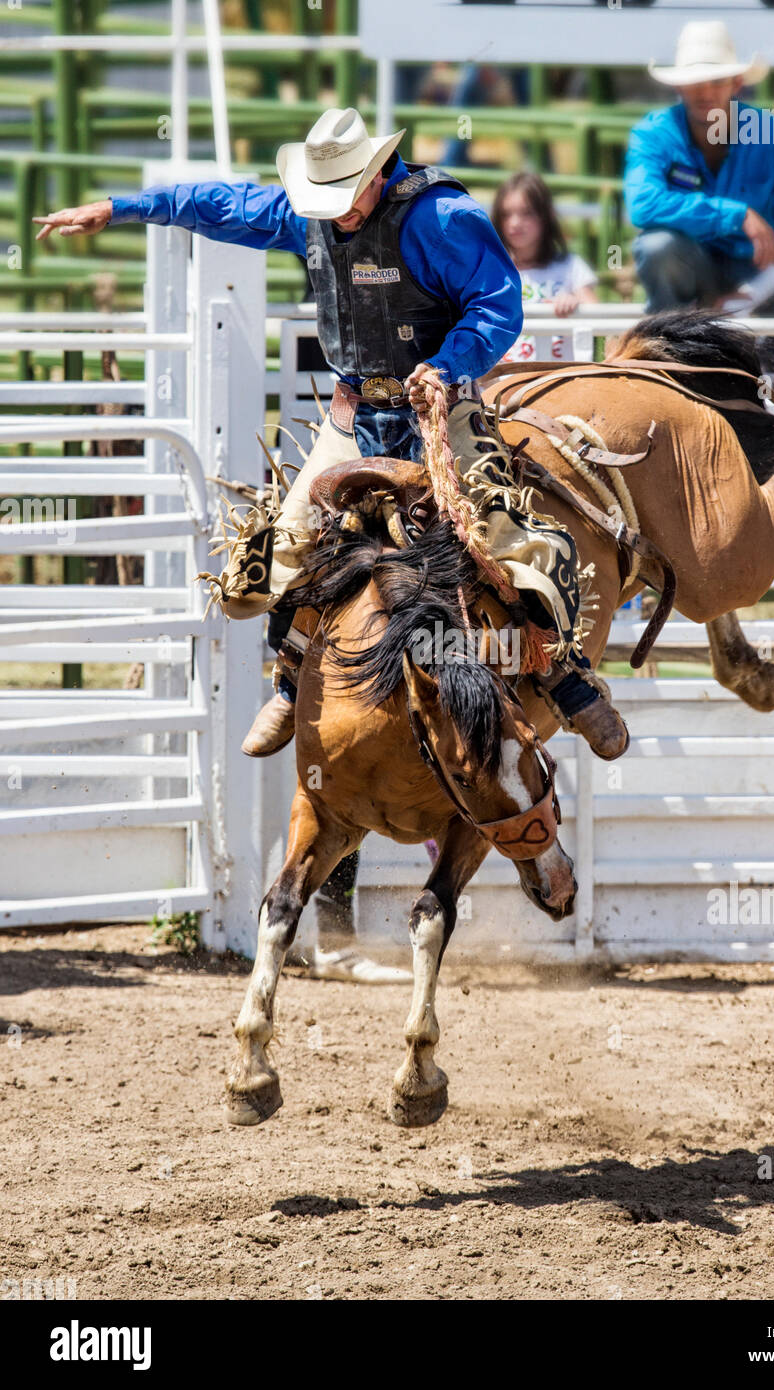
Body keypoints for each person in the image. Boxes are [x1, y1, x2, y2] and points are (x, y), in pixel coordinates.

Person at [34, 107, 628, 969]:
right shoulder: (307, 214)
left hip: (440, 408)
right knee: (282, 548)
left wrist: (450, 364)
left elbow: (498, 304)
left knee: (514, 539)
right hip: (360, 413)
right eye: (325, 197)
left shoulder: (442, 218)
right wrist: (120, 211)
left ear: (376, 176)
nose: (336, 211)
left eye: (345, 194)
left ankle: (565, 676)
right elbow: (219, 204)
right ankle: (290, 674)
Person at [623, 20, 774, 397]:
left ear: (736, 83)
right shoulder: (654, 133)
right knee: (656, 246)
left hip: (761, 274)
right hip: (692, 273)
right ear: (679, 86)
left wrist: (749, 295)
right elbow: (642, 205)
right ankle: (671, 368)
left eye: (716, 80)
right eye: (696, 81)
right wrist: (735, 214)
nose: (705, 92)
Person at [492, 172, 599, 364]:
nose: (515, 223)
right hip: (502, 382)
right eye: (506, 214)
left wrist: (574, 304)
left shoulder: (570, 266)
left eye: (527, 213)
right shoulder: (491, 271)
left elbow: (597, 315)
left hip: (557, 380)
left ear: (546, 216)